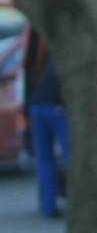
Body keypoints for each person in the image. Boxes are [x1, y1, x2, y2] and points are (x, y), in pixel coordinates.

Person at [22, 25, 66, 217]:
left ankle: (48, 205)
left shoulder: (37, 51)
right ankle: (74, 203)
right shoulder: (66, 55)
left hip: (36, 105)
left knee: (44, 159)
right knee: (70, 157)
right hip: (56, 106)